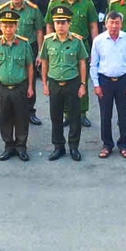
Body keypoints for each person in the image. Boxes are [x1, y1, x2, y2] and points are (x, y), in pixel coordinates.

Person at [0, 10, 35, 162]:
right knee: (5, 117)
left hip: (20, 86)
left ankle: (21, 147)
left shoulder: (24, 43)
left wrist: (30, 87)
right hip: (3, 87)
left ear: (16, 27)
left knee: (22, 117)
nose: (8, 29)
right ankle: (8, 145)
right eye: (5, 26)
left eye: (11, 26)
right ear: (0, 26)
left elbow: (29, 65)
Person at [40, 12, 89, 161]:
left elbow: (82, 63)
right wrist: (44, 83)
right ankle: (58, 147)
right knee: (55, 117)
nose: (60, 26)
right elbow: (44, 62)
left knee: (74, 116)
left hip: (72, 82)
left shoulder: (77, 41)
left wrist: (83, 84)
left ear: (69, 24)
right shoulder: (48, 41)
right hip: (54, 83)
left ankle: (74, 147)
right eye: (57, 23)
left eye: (63, 22)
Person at [90, 10, 126, 158]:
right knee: (105, 114)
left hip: (123, 81)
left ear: (121, 24)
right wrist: (96, 85)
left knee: (124, 114)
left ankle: (123, 144)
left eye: (117, 23)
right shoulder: (98, 40)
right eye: (111, 22)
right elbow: (94, 64)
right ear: (106, 24)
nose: (114, 26)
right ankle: (107, 145)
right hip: (105, 81)